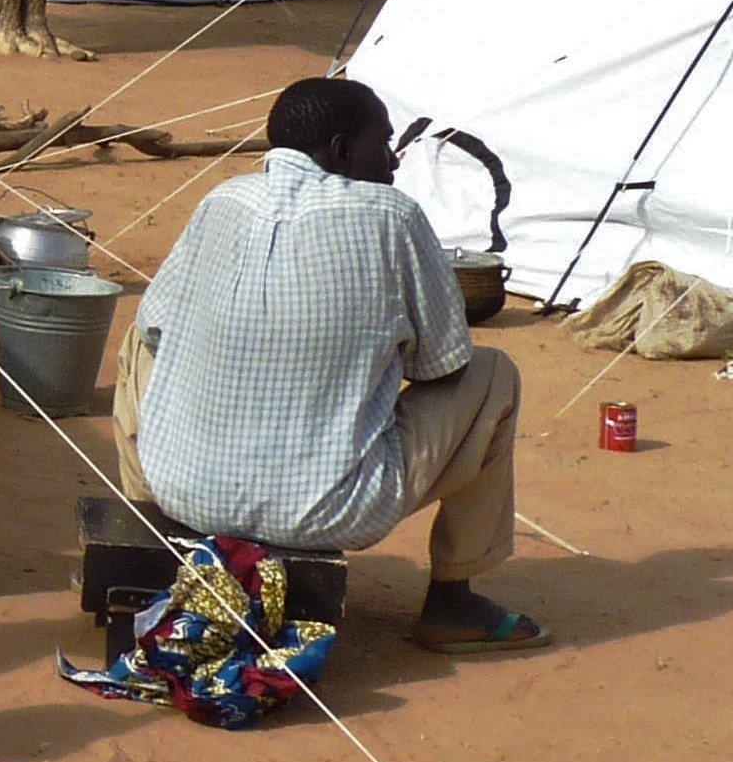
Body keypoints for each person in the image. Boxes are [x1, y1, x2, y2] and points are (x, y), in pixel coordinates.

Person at [113, 77, 547, 655]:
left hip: (184, 493)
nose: (392, 162)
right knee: (492, 374)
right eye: (384, 144)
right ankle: (452, 599)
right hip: (331, 510)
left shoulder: (223, 199)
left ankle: (151, 541)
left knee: (138, 344)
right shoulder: (391, 216)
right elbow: (444, 366)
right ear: (343, 151)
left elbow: (156, 330)